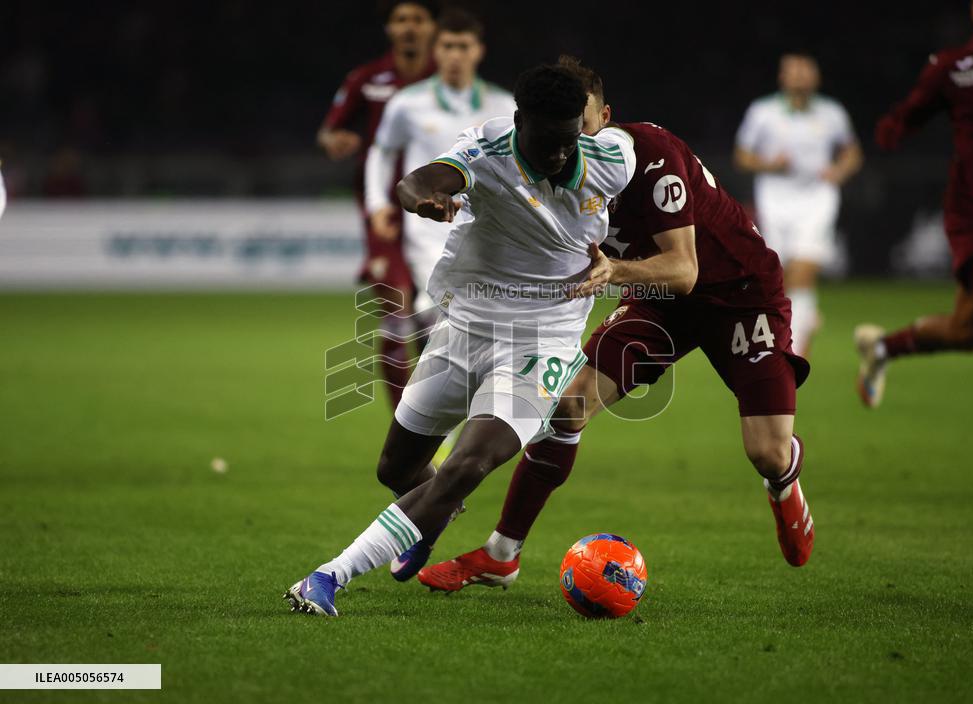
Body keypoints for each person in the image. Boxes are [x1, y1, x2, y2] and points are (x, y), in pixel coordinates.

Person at [418, 56, 814, 595]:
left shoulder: (650, 157)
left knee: (766, 450)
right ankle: (501, 554)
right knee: (568, 405)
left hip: (740, 296)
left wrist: (614, 272)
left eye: (579, 126)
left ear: (604, 116)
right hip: (657, 303)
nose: (566, 141)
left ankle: (784, 478)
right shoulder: (550, 165)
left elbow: (683, 269)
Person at [285, 63, 636, 616]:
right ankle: (434, 511)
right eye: (548, 140)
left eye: (571, 140)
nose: (561, 155)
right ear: (521, 123)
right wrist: (426, 201)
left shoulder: (611, 159)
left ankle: (328, 576)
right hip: (465, 328)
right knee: (398, 472)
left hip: (544, 338)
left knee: (468, 465)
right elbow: (417, 182)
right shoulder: (488, 148)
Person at [856, 0, 973, 406]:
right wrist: (886, 137)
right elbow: (904, 118)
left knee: (966, 332)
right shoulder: (953, 68)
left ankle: (881, 348)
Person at [318, 0, 437, 408]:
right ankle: (404, 429)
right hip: (384, 213)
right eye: (401, 19)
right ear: (389, 28)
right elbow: (330, 131)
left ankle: (429, 423)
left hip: (438, 213)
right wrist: (335, 141)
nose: (409, 27)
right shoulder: (367, 79)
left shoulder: (448, 83)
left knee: (432, 319)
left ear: (432, 28)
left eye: (417, 20)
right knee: (396, 306)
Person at [366, 8, 515, 330]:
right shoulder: (407, 103)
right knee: (445, 305)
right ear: (436, 50)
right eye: (447, 46)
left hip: (485, 225)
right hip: (428, 226)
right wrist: (377, 205)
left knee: (463, 310)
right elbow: (381, 152)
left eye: (463, 46)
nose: (455, 55)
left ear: (478, 51)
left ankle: (432, 342)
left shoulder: (504, 107)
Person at [734, 52, 863, 357]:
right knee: (779, 277)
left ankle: (795, 350)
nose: (800, 76)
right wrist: (769, 164)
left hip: (817, 198)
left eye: (806, 70)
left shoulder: (832, 113)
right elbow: (742, 157)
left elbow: (852, 153)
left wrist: (839, 171)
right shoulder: (762, 111)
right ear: (782, 77)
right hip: (775, 199)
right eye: (794, 71)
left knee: (803, 273)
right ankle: (804, 319)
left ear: (816, 77)